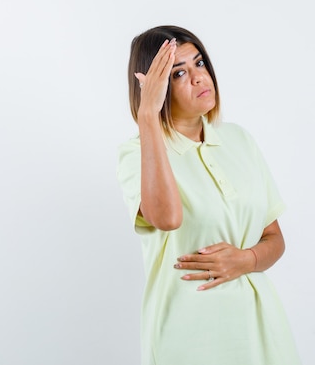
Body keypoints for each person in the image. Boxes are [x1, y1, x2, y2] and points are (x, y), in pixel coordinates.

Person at [117, 25, 301, 365]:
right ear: (155, 87)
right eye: (178, 73)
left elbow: (274, 237)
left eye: (199, 63)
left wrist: (245, 260)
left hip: (259, 330)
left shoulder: (239, 140)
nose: (199, 78)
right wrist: (148, 117)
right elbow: (168, 218)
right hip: (188, 337)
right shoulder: (136, 153)